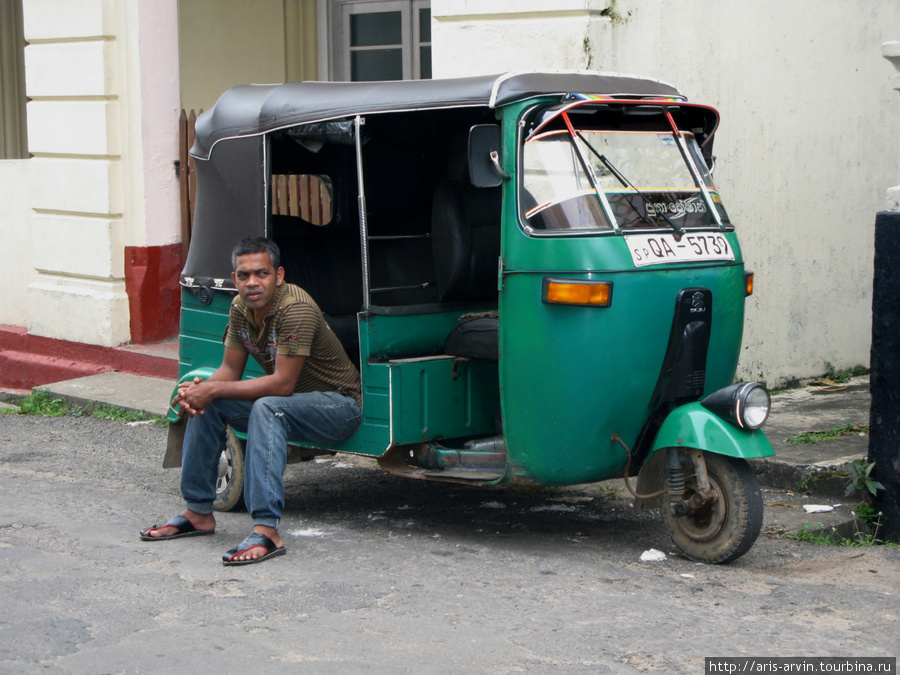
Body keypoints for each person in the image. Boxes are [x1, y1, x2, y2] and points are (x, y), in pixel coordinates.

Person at [140, 237, 362, 565]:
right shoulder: (240, 309)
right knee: (209, 402)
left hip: (339, 406)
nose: (252, 283)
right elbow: (230, 370)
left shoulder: (294, 309)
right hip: (293, 404)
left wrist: (213, 389)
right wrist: (198, 392)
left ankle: (267, 530)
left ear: (279, 275)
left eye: (262, 274)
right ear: (234, 280)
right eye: (244, 276)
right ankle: (199, 512)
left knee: (267, 406)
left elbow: (282, 385)